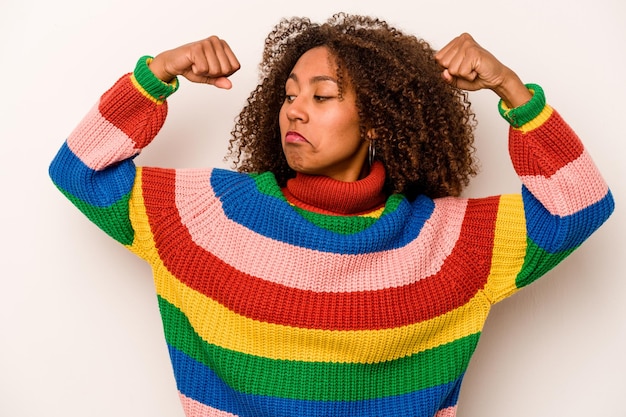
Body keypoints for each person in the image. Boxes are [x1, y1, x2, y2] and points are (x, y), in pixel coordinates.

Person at [49, 13, 614, 417]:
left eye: (322, 96)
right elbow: (79, 170)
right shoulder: (210, 216)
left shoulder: (446, 244)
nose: (295, 108)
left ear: (375, 122)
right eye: (290, 94)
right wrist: (156, 74)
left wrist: (511, 91)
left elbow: (580, 206)